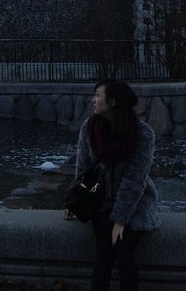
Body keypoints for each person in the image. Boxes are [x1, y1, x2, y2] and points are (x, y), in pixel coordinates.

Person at [64, 79, 160, 291]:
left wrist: (120, 220)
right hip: (100, 199)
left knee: (124, 249)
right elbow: (83, 169)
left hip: (136, 203)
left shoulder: (143, 133)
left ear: (113, 101)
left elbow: (135, 179)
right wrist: (74, 201)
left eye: (98, 95)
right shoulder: (89, 128)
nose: (93, 100)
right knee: (103, 253)